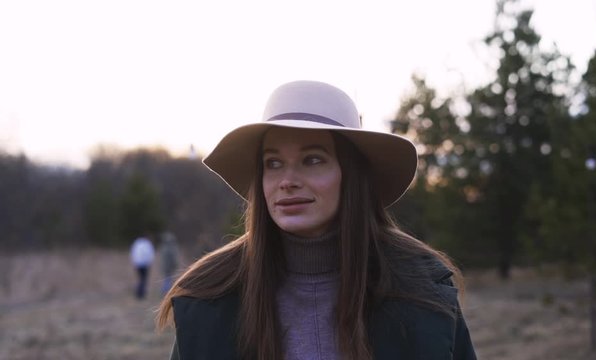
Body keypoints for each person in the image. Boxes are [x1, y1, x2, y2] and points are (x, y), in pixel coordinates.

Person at [156, 80, 476, 359]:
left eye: (312, 160)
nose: (288, 180)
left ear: (349, 174)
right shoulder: (210, 298)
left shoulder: (421, 291)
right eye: (273, 163)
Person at [130, 232, 155, 299]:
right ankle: (142, 293)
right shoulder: (147, 244)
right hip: (145, 264)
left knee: (140, 278)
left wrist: (134, 262)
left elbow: (133, 253)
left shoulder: (137, 243)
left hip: (138, 264)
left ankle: (138, 292)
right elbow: (150, 254)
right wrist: (150, 262)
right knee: (144, 279)